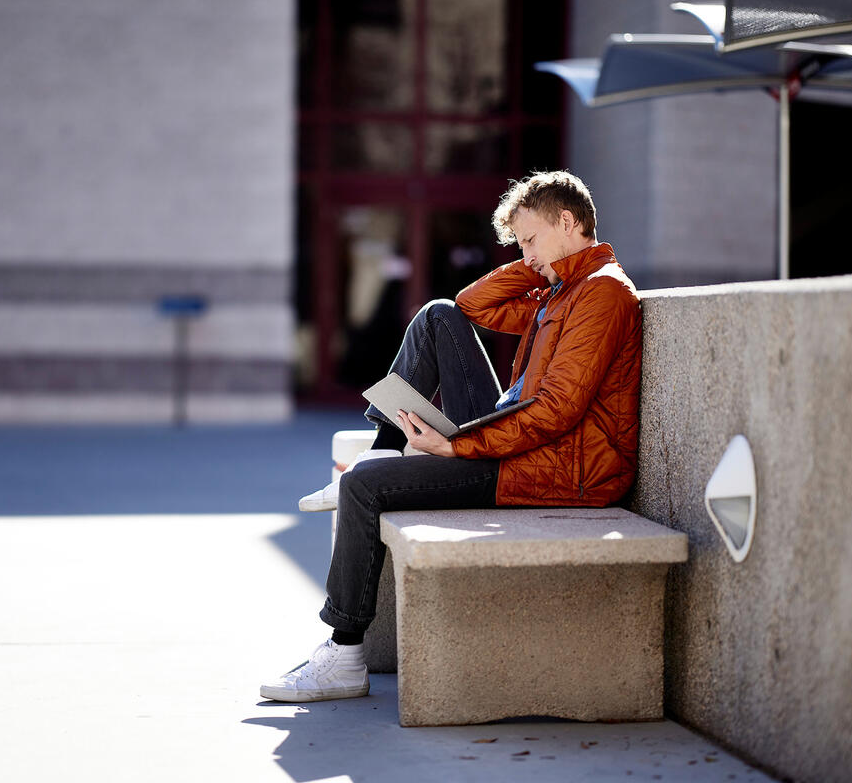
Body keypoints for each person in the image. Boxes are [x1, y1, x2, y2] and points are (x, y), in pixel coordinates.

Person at [261, 170, 642, 703]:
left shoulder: (601, 296)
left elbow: (557, 410)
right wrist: (536, 266)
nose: (526, 254)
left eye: (530, 239)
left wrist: (455, 446)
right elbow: (472, 306)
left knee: (362, 491)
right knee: (438, 314)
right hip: (525, 444)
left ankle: (344, 654)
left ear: (569, 221)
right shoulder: (558, 292)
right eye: (520, 246)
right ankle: (383, 448)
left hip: (557, 470)